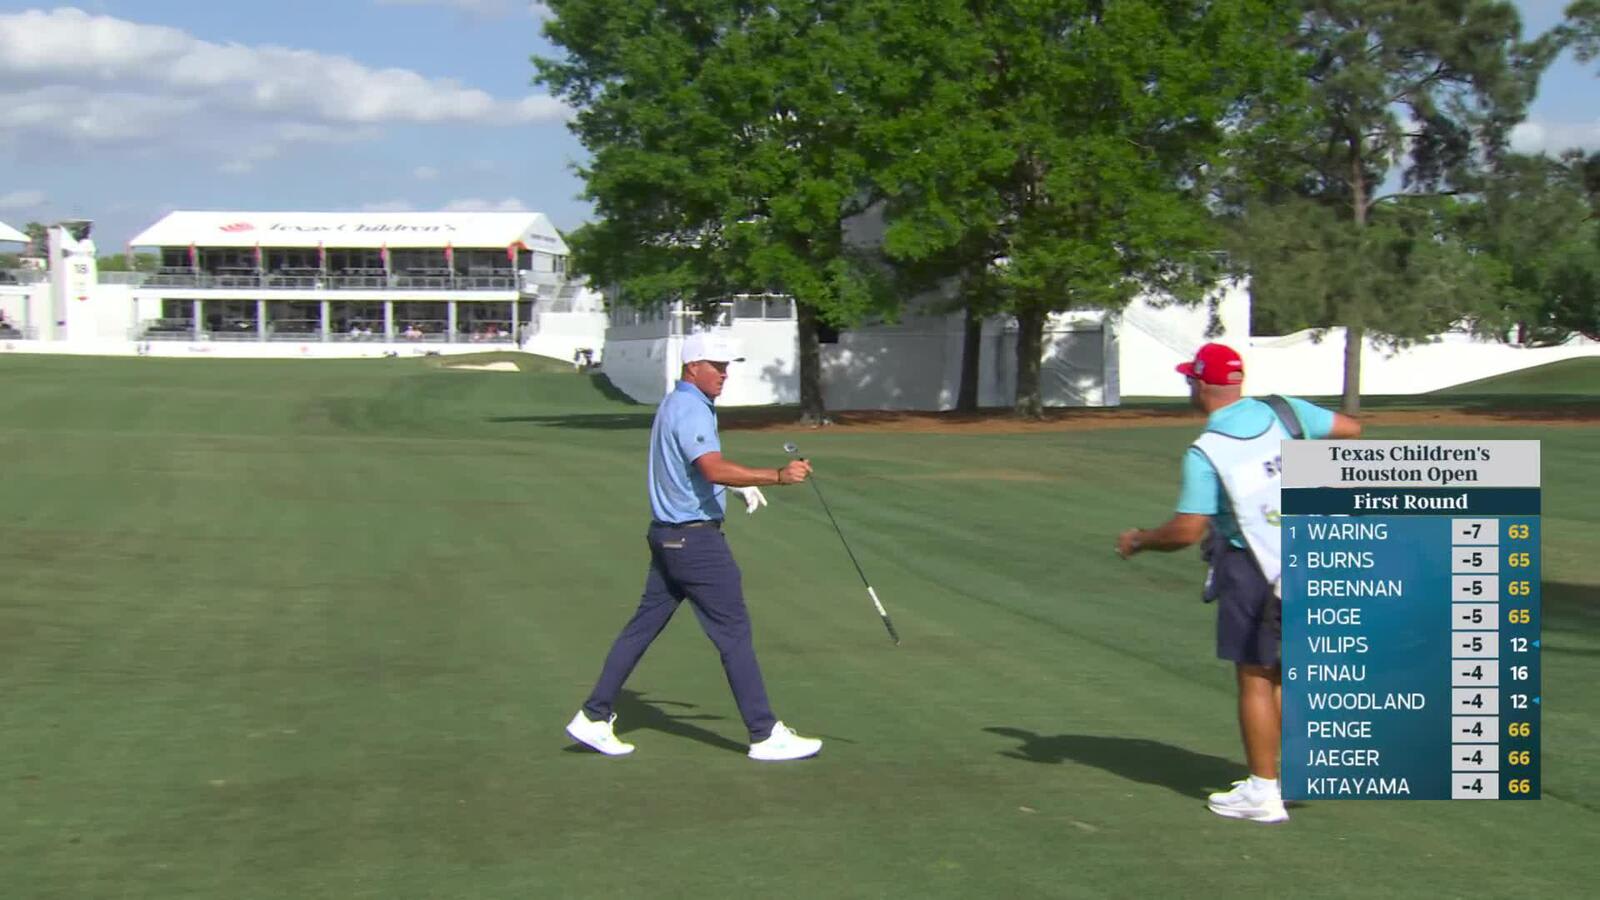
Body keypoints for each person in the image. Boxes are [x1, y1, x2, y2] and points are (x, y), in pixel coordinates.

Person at [1115, 342, 1361, 824]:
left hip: (1254, 566)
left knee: (1255, 674)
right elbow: (1351, 430)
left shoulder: (1207, 450)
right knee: (1287, 669)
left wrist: (1140, 540)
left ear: (1201, 384)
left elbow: (1188, 530)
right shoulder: (1285, 410)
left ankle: (1263, 793)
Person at [566, 332, 822, 761]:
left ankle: (593, 715)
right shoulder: (691, 408)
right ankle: (764, 733)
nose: (724, 374)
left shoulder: (677, 403)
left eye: (727, 366)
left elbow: (693, 471)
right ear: (692, 368)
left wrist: (731, 491)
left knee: (642, 627)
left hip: (668, 536)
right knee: (733, 633)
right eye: (716, 366)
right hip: (695, 543)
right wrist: (776, 476)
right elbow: (711, 466)